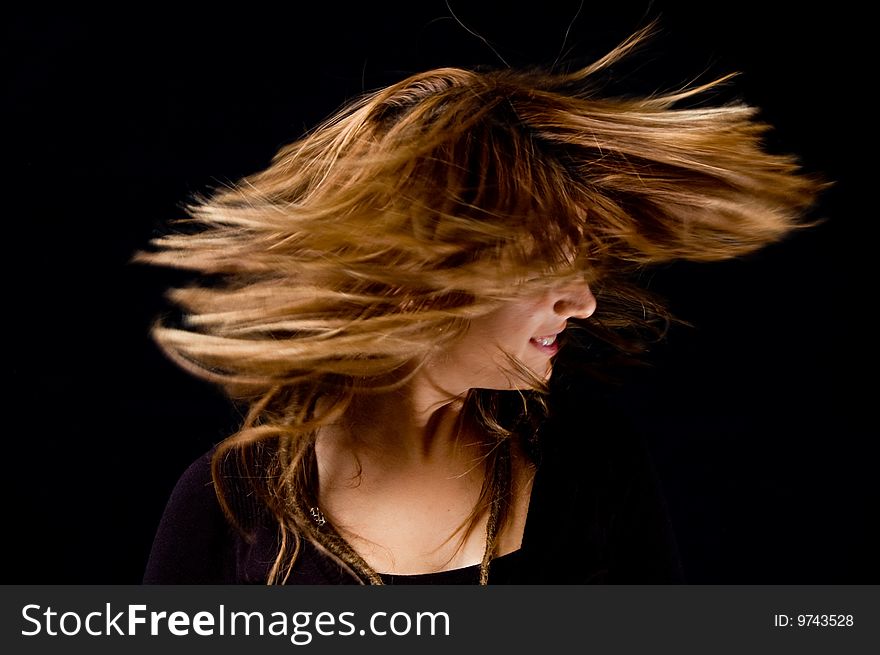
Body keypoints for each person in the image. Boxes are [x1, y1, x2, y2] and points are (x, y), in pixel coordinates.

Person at [136, 23, 826, 585]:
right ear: (417, 274)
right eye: (544, 266)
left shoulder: (591, 462)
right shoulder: (228, 503)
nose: (582, 302)